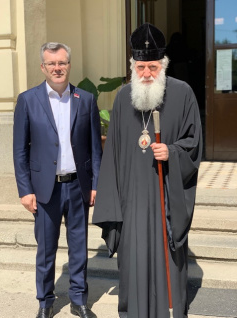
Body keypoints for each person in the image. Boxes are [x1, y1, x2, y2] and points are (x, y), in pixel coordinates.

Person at [93, 23, 202, 318]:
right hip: (131, 205)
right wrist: (112, 206)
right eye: (141, 67)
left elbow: (193, 144)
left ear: (163, 65)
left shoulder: (182, 94)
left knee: (167, 262)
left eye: (152, 67)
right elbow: (112, 155)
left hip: (166, 199)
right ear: (133, 66)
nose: (146, 74)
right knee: (134, 262)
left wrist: (173, 152)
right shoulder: (122, 98)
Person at [13, 42, 102, 318]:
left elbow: (95, 149)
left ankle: (79, 300)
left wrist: (96, 184)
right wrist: (25, 190)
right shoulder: (28, 100)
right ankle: (45, 302)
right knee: (46, 250)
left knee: (79, 248)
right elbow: (20, 151)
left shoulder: (85, 100)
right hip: (44, 189)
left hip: (78, 187)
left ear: (69, 65)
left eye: (62, 63)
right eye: (51, 63)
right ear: (43, 67)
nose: (57, 68)